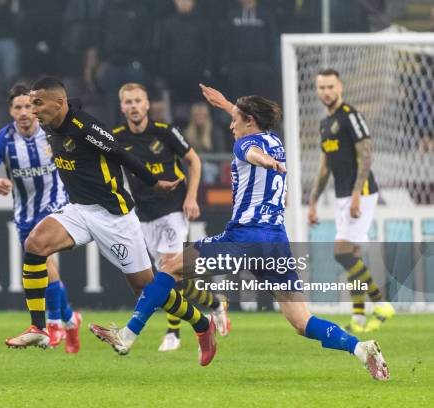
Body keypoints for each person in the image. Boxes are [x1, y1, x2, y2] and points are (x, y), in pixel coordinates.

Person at [161, 83, 390, 381]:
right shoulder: (275, 140)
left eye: (235, 119)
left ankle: (143, 330)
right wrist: (225, 104)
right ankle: (360, 348)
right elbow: (249, 128)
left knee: (169, 267)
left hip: (245, 236)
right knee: (301, 322)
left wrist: (263, 160)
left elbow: (250, 149)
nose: (232, 124)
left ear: (249, 122)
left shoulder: (247, 145)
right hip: (277, 241)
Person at [14, 77, 217, 366]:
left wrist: (153, 182)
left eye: (37, 103)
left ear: (59, 103)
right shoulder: (49, 124)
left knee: (146, 291)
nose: (33, 109)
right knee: (35, 243)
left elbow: (120, 154)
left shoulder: (84, 127)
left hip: (115, 216)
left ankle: (201, 325)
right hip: (80, 210)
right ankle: (39, 327)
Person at [114, 82, 230, 352]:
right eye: (128, 102)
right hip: (143, 215)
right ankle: (214, 303)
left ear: (146, 104)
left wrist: (191, 197)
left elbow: (195, 161)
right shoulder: (117, 137)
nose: (133, 106)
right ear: (122, 107)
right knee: (170, 279)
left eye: (137, 101)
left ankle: (172, 332)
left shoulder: (165, 133)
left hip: (173, 210)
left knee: (168, 268)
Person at [0, 83, 81, 352]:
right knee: (46, 268)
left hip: (57, 206)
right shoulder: (4, 139)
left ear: (35, 108)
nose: (24, 112)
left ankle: (54, 324)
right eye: (18, 107)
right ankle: (71, 319)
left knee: (46, 266)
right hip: (25, 214)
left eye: (28, 106)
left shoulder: (50, 131)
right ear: (10, 111)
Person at [309, 69, 395, 333]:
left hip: (362, 191)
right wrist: (312, 202)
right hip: (342, 194)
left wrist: (357, 194)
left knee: (342, 251)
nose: (326, 92)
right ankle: (358, 316)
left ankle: (382, 304)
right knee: (352, 255)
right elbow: (325, 168)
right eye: (321, 87)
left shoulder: (351, 116)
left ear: (340, 87)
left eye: (330, 87)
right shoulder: (325, 124)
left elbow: (366, 156)